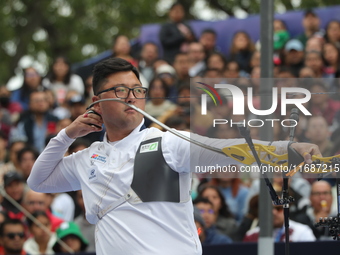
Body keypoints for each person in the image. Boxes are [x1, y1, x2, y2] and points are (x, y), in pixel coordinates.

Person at [28, 57, 321, 255]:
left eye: (137, 90)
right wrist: (66, 135)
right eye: (119, 90)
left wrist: (284, 150)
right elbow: (38, 182)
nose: (131, 97)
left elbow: (226, 152)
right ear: (97, 102)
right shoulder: (87, 157)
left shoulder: (166, 143)